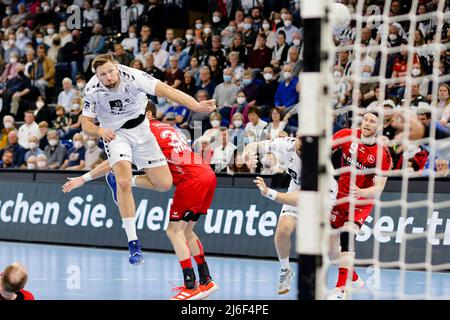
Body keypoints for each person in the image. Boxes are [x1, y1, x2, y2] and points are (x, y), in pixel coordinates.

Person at [63, 102, 218, 300]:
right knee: (187, 231)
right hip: (206, 173)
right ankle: (206, 280)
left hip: (191, 180)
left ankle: (191, 286)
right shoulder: (167, 127)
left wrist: (83, 178)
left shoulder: (143, 131)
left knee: (173, 231)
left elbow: (113, 161)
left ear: (145, 114)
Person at [81, 54, 215, 266]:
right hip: (115, 134)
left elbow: (168, 91)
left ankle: (116, 180)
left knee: (164, 184)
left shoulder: (133, 76)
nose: (107, 77)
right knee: (124, 180)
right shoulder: (92, 89)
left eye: (109, 71)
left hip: (142, 130)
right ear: (97, 76)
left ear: (116, 67)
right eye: (102, 75)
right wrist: (99, 130)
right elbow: (85, 125)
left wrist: (196, 106)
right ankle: (133, 243)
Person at [328, 111, 392, 299]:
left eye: (372, 121)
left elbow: (379, 188)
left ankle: (340, 290)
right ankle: (354, 278)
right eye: (365, 119)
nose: (367, 123)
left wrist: (363, 192)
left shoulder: (383, 154)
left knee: (348, 234)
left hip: (361, 201)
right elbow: (325, 149)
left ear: (379, 127)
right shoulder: (347, 134)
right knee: (331, 251)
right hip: (339, 195)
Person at [242, 135, 303, 294]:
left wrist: (270, 193)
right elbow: (255, 145)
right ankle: (285, 270)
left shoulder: (319, 158)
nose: (303, 144)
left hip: (323, 195)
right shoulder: (284, 145)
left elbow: (300, 200)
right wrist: (247, 153)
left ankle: (349, 278)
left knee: (331, 249)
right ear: (296, 137)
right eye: (301, 140)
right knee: (282, 231)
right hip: (297, 187)